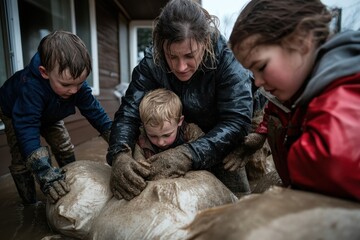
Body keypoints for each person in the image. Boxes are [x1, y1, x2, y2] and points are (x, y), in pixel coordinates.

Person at [107, 0, 255, 201]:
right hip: (170, 131)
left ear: (205, 42)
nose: (181, 67)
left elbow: (237, 120)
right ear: (162, 47)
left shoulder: (227, 61)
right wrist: (119, 154)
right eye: (172, 56)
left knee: (234, 200)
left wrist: (188, 154)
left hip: (218, 139)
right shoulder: (152, 62)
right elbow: (128, 113)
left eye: (189, 56)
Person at [228, 0, 360, 200]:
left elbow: (334, 164)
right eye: (252, 72)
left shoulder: (341, 99)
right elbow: (276, 109)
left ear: (301, 41)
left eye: (261, 67)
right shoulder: (300, 91)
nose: (257, 82)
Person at [0, 30, 113, 204]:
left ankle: (70, 179)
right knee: (22, 157)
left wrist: (115, 137)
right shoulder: (31, 87)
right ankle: (30, 202)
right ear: (45, 72)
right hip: (16, 113)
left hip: (51, 114)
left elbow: (94, 111)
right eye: (66, 84)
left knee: (64, 145)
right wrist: (43, 170)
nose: (74, 90)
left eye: (80, 83)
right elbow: (27, 127)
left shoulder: (74, 83)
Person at [133, 88, 204, 169]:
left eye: (166, 135)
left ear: (179, 121)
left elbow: (204, 153)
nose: (160, 142)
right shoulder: (140, 140)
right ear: (143, 124)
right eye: (153, 136)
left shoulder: (191, 133)